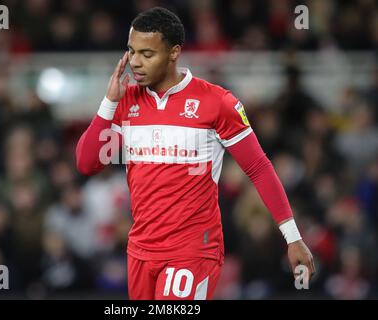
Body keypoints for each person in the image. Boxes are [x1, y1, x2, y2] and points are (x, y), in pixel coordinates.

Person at [76, 7, 315, 300]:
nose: (135, 63)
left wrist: (293, 237)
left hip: (192, 250)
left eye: (147, 54)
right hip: (140, 250)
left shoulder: (216, 103)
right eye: (131, 51)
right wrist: (108, 102)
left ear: (174, 52)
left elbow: (258, 168)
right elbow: (87, 164)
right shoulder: (126, 102)